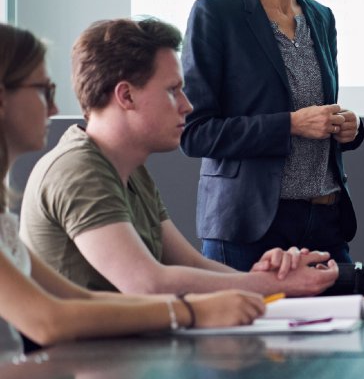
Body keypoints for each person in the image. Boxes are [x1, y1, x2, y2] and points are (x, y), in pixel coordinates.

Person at [19, 18, 338, 296]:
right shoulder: (79, 170)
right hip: (78, 363)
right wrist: (275, 286)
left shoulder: (129, 169)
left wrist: (266, 280)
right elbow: (148, 284)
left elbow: (191, 264)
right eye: (173, 91)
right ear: (126, 95)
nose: (187, 105)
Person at [0, 23, 264, 359]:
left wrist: (254, 285)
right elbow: (48, 320)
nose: (54, 108)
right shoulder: (77, 167)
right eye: (43, 91)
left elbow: (75, 300)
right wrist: (192, 310)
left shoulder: (130, 169)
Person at [180, 0, 364, 271]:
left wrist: (349, 127)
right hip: (250, 226)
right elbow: (196, 132)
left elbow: (316, 114)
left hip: (324, 218)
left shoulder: (321, 17)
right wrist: (292, 125)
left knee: (347, 328)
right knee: (248, 334)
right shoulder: (217, 15)